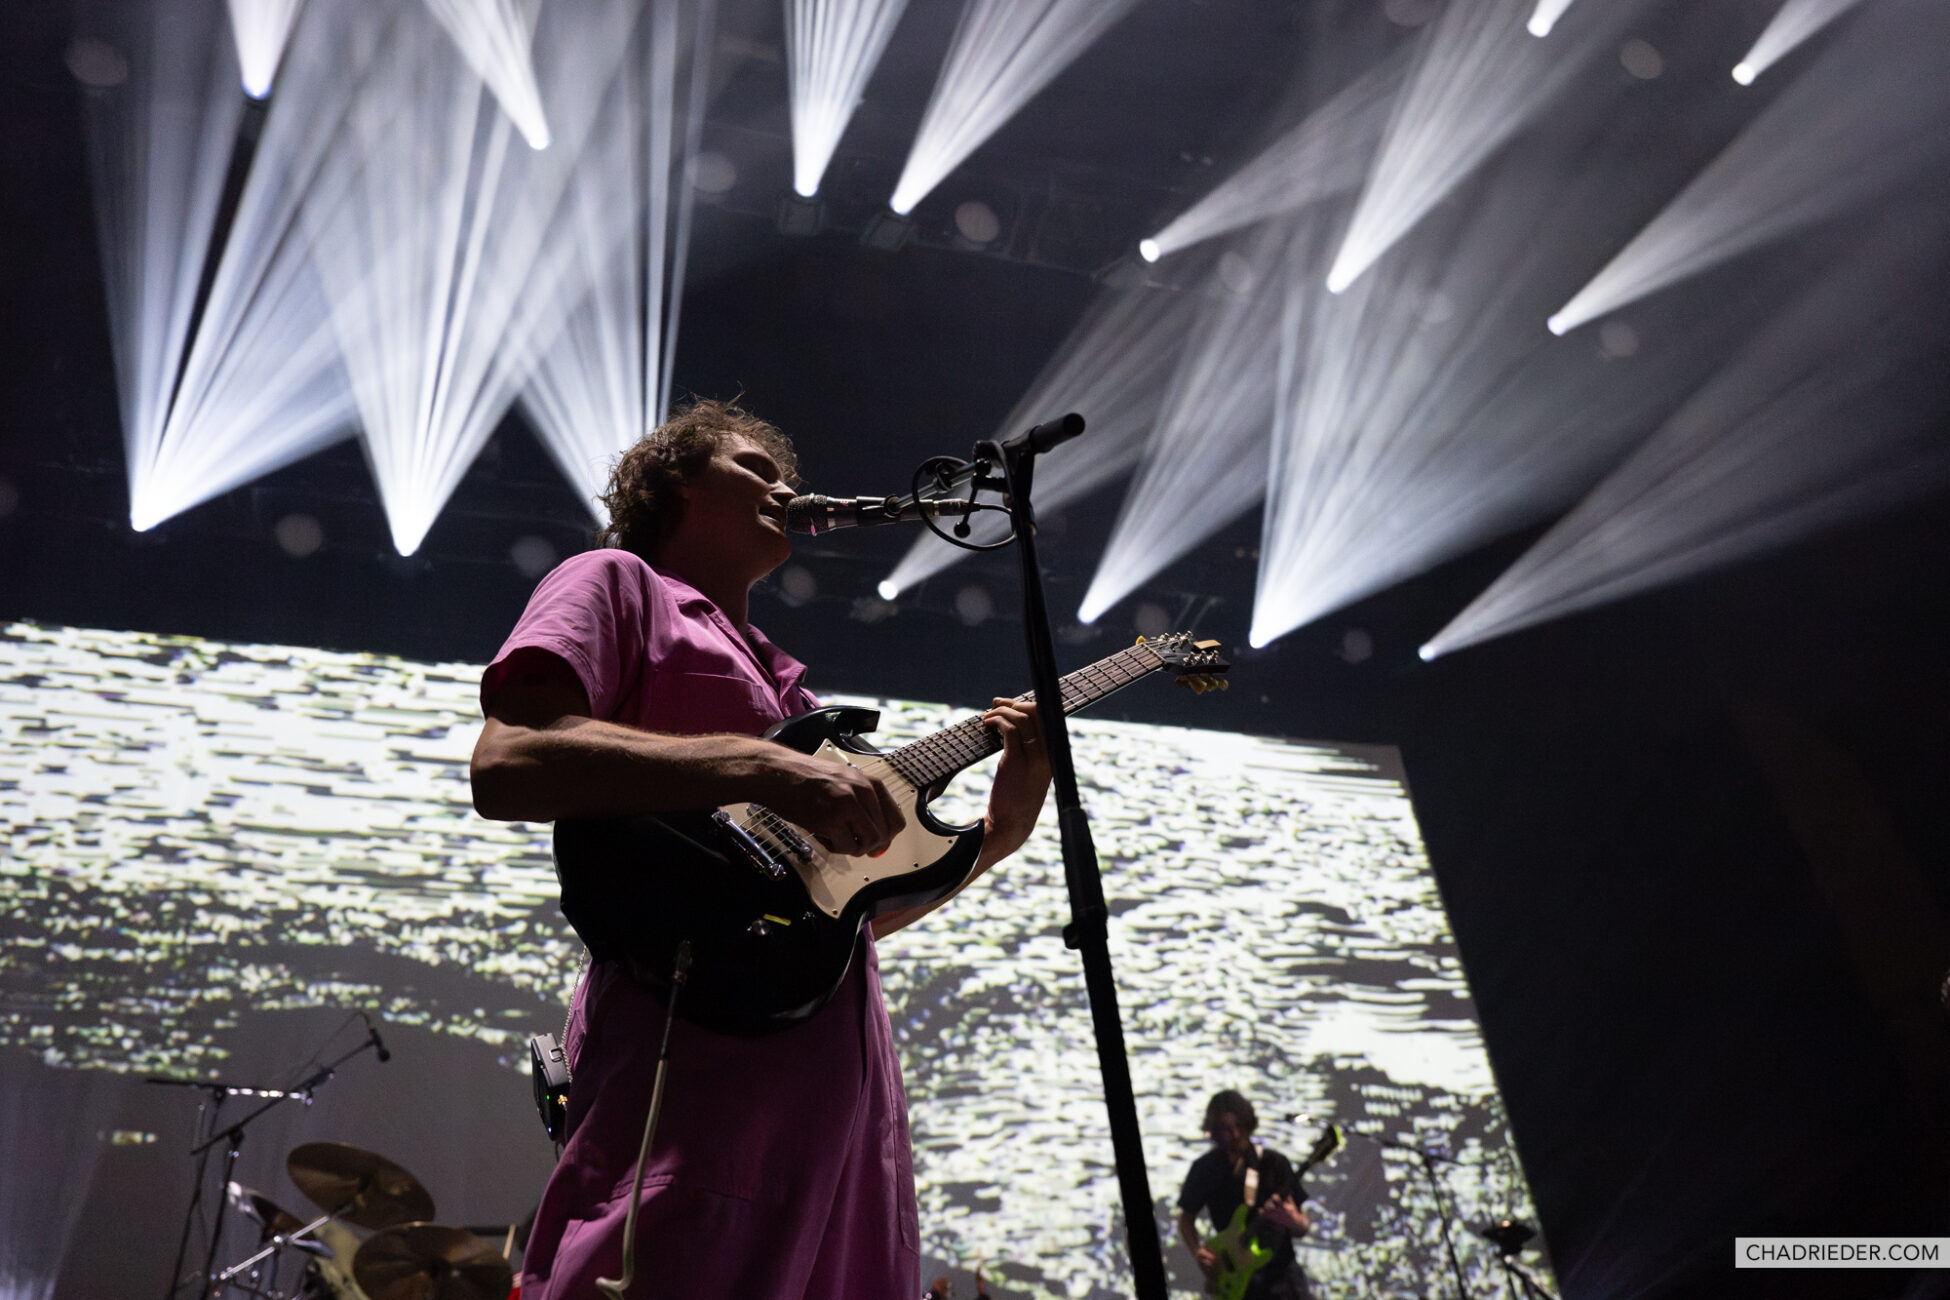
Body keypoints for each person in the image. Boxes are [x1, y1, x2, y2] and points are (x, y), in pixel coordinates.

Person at [470, 399, 1051, 1298]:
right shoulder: (615, 582)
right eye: (753, 469)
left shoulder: (787, 683)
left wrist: (1000, 835)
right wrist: (760, 767)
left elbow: (821, 922)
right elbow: (507, 763)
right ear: (672, 486)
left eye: (784, 475)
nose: (784, 488)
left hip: (836, 1115)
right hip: (694, 1062)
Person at [1176, 1090, 1314, 1300]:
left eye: (1238, 1127)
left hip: (1282, 1277)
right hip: (1235, 1278)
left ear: (1248, 1125)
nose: (1234, 1135)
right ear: (1213, 1130)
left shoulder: (1274, 1163)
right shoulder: (1204, 1169)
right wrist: (1198, 1253)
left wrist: (1293, 1220)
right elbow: (1186, 1219)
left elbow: (1302, 1226)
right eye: (1225, 1129)